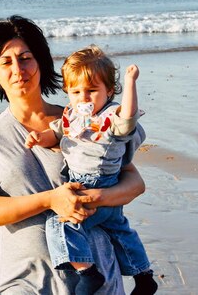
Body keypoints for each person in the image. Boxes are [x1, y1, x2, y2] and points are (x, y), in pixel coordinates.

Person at [0, 16, 147, 294]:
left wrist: (94, 198)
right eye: (6, 62)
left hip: (99, 280)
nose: (18, 69)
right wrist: (51, 199)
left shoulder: (85, 121)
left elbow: (134, 184)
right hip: (25, 282)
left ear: (41, 63)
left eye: (25, 58)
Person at [25, 45, 157, 295]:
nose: (83, 98)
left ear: (109, 90)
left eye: (92, 90)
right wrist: (38, 138)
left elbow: (128, 119)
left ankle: (87, 273)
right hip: (98, 190)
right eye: (76, 91)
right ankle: (144, 276)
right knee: (120, 231)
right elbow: (56, 132)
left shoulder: (112, 118)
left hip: (98, 184)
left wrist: (130, 82)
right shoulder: (73, 115)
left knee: (61, 223)